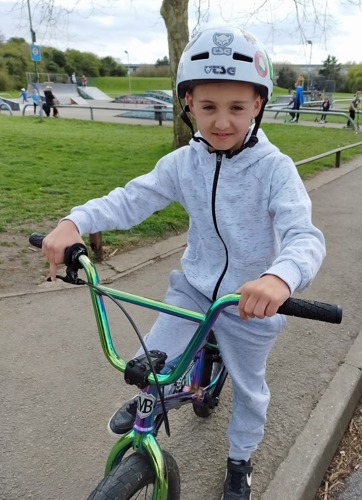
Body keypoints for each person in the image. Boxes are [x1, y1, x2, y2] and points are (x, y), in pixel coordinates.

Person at [41, 26, 325, 500]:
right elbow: (132, 198)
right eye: (209, 107)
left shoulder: (276, 170)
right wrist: (77, 221)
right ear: (188, 103)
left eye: (237, 108)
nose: (221, 122)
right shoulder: (183, 162)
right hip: (194, 288)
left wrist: (280, 276)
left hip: (250, 301)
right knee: (148, 359)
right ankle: (151, 395)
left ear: (258, 105)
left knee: (251, 393)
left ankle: (240, 461)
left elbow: (304, 236)